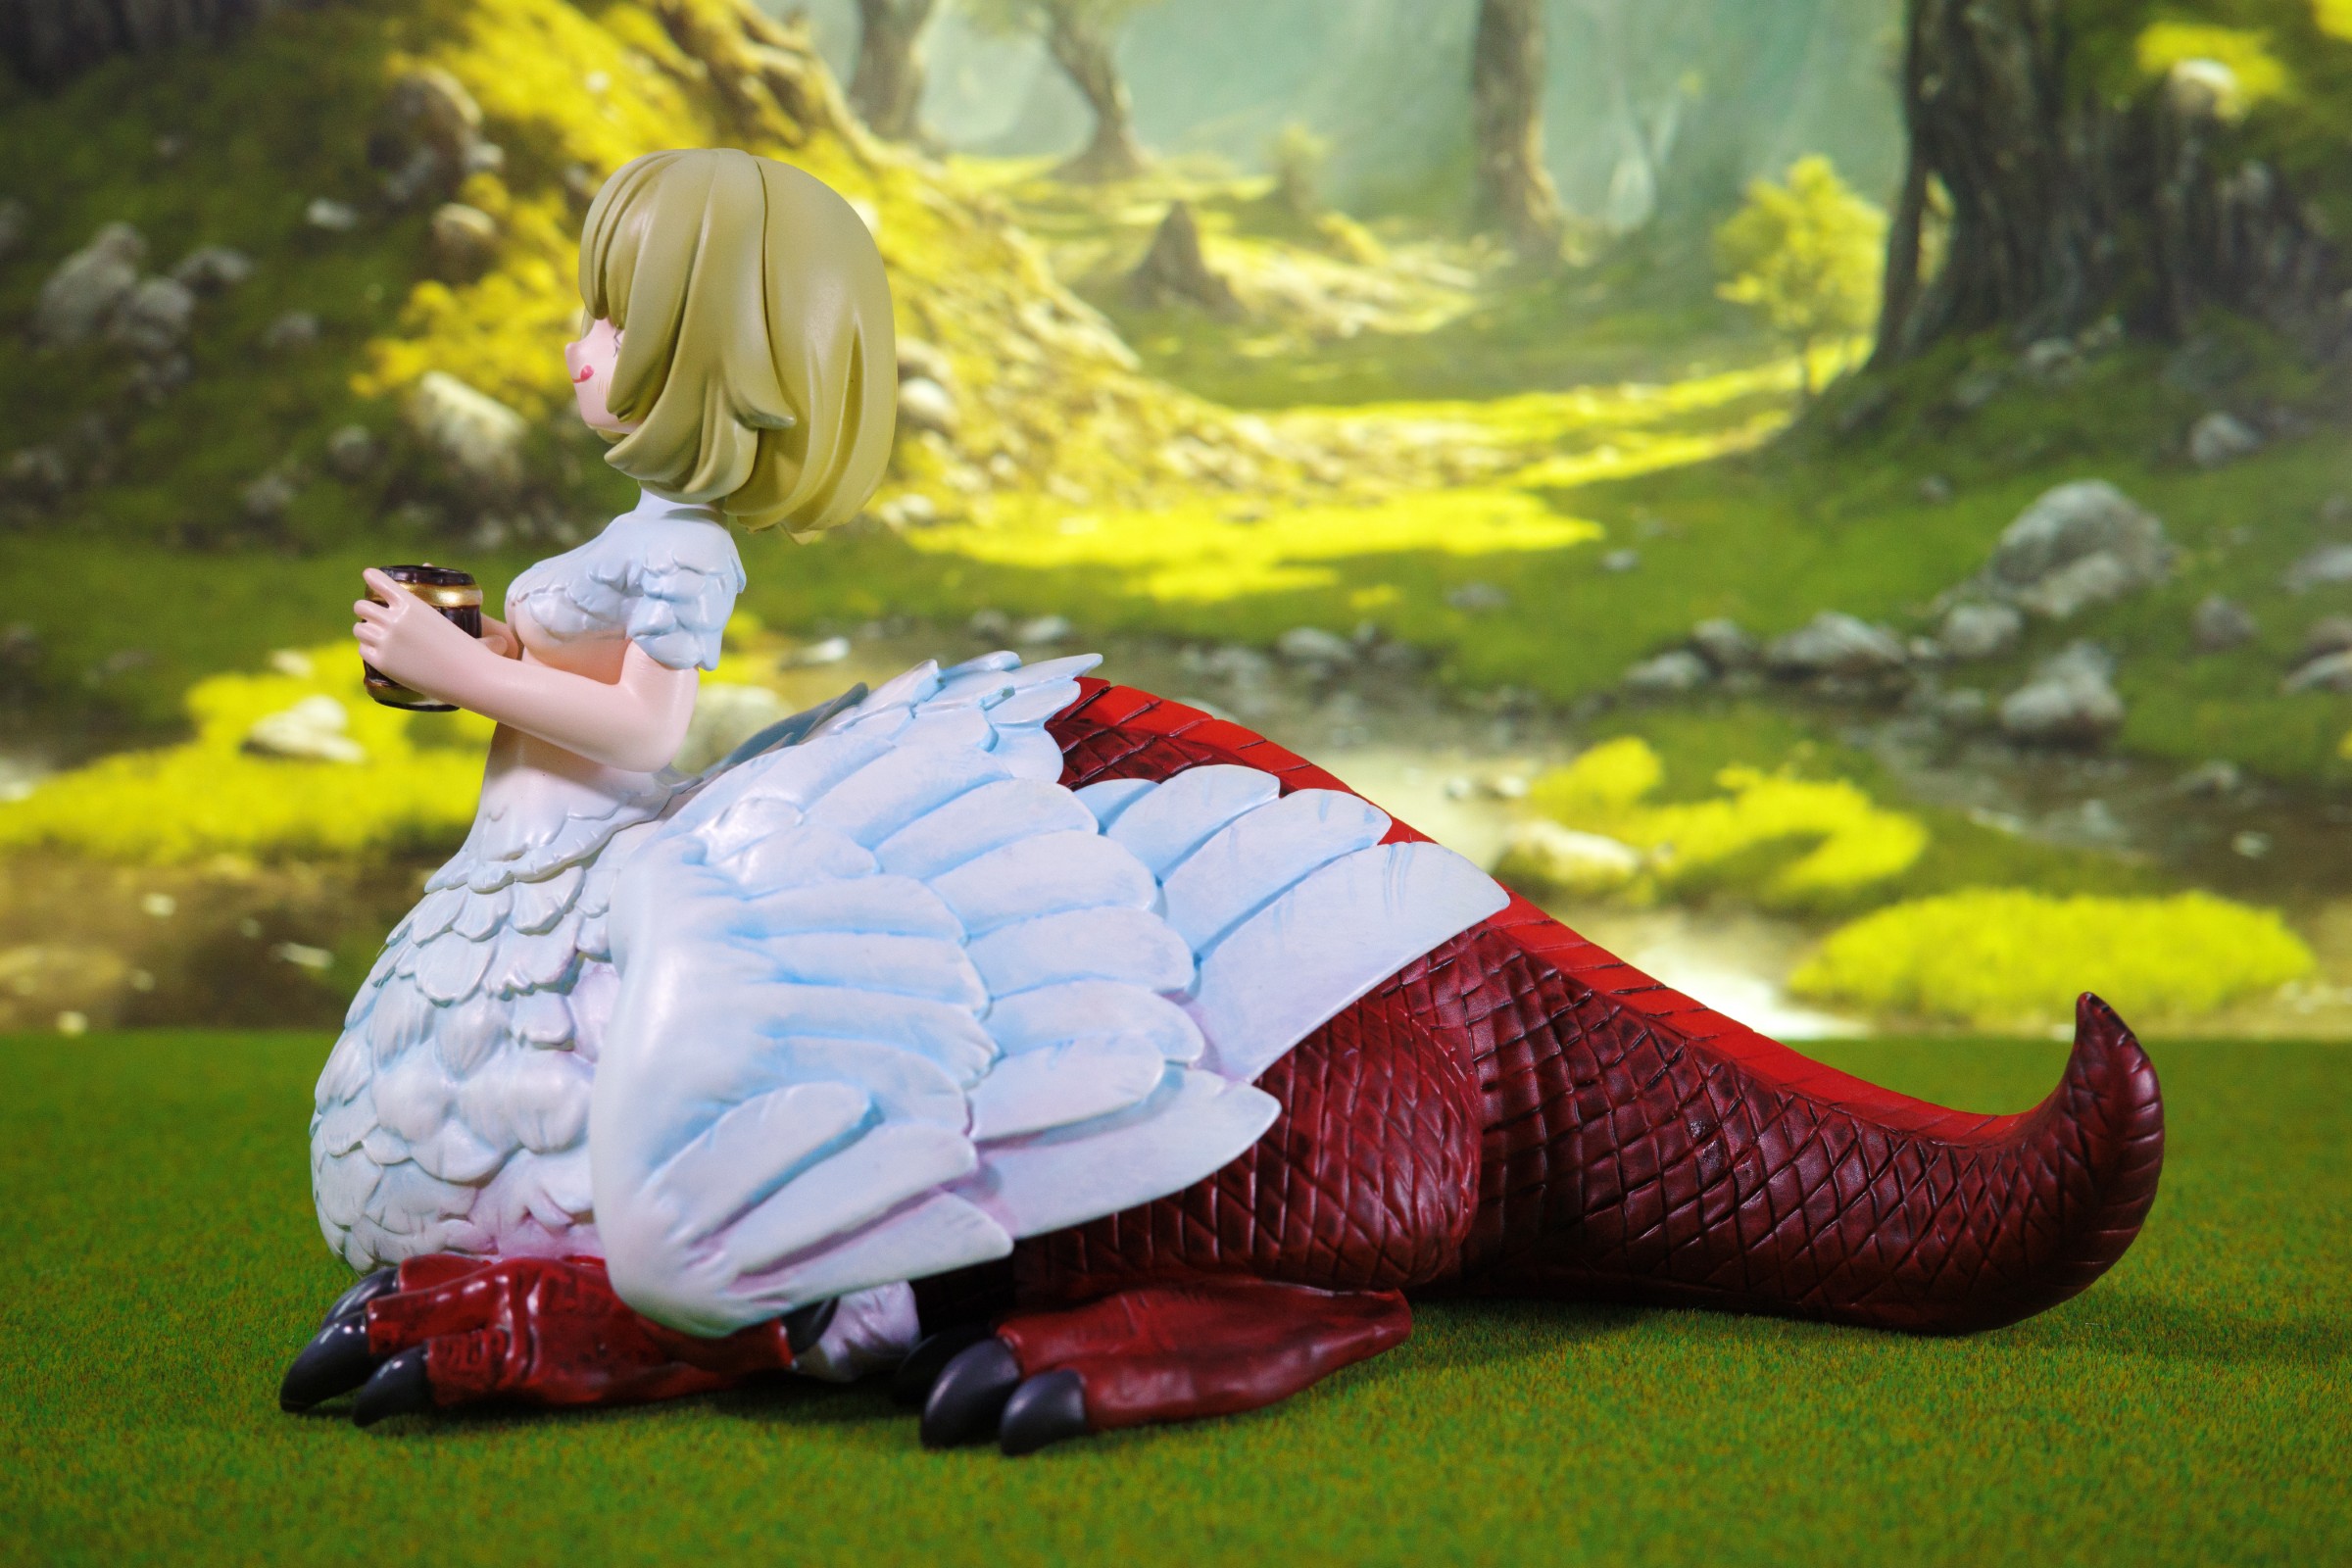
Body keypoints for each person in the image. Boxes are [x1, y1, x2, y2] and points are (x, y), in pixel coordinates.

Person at [284, 148, 2164, 1455]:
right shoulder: (644, 569)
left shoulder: (685, 590)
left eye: (618, 315)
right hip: (865, 868)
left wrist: (469, 667)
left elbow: (641, 730)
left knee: (714, 1213)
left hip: (1357, 1078)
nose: (576, 347)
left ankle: (1262, 1309)